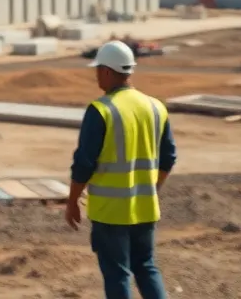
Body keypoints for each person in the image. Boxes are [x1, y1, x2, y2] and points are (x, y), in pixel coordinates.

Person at [66, 40, 177, 299]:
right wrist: (152, 188)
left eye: (97, 70)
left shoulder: (101, 110)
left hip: (111, 212)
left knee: (118, 275)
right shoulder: (155, 107)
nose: (96, 76)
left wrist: (73, 201)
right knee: (147, 267)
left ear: (106, 71)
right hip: (145, 207)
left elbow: (84, 162)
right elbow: (168, 158)